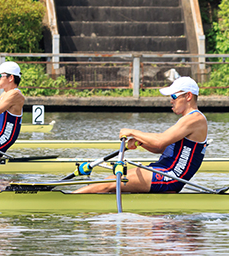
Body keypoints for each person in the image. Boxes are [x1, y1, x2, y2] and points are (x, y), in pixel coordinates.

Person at [74, 76, 208, 194]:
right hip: (162, 170)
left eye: (173, 96)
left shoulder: (195, 119)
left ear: (188, 96)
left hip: (171, 176)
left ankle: (70, 200)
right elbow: (161, 148)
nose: (170, 101)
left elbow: (160, 141)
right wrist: (141, 142)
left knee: (109, 183)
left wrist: (133, 132)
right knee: (110, 181)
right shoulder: (187, 120)